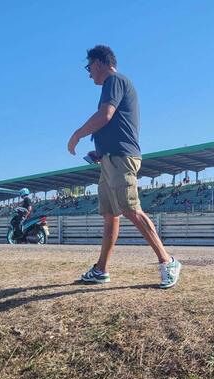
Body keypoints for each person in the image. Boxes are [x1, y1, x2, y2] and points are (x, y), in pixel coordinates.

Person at [67, 45, 181, 289]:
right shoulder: (114, 84)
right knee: (110, 216)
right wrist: (100, 151)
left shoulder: (114, 80)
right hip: (109, 158)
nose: (89, 74)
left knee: (131, 209)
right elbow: (115, 123)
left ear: (99, 62)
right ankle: (101, 270)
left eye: (89, 67)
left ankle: (168, 261)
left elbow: (105, 115)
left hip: (121, 158)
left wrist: (77, 134)